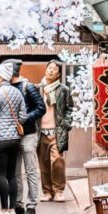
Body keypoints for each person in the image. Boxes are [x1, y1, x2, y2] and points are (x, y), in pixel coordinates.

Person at [0, 61, 27, 214]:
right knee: (12, 175)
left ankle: (3, 210)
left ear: (1, 76)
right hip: (15, 140)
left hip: (1, 140)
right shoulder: (17, 93)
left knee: (2, 175)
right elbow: (23, 117)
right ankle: (12, 210)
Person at [11, 59, 46, 214]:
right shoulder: (5, 88)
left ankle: (31, 204)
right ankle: (18, 203)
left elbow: (41, 108)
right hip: (12, 134)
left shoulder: (28, 86)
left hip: (29, 134)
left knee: (30, 170)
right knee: (16, 171)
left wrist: (24, 118)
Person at [38, 60, 73, 202]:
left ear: (59, 73)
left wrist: (66, 124)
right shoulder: (38, 88)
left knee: (57, 161)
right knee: (43, 163)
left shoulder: (63, 89)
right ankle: (47, 192)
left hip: (57, 131)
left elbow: (70, 108)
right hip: (40, 132)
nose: (51, 70)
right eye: (49, 68)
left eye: (54, 69)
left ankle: (58, 190)